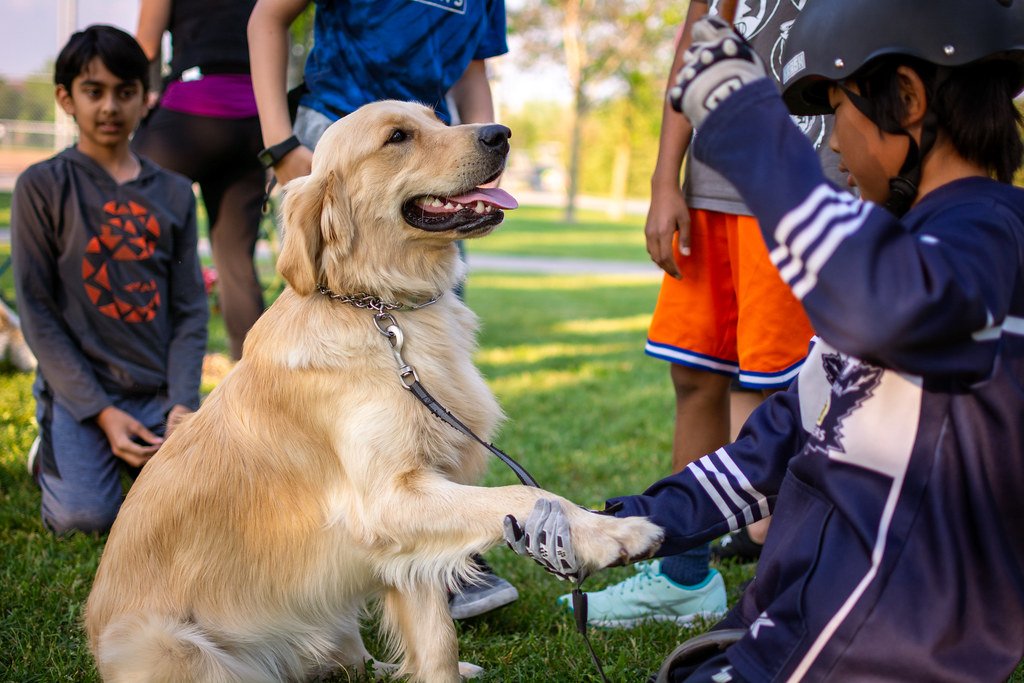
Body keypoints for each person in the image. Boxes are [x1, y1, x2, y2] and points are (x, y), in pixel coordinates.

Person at [506, 0, 1024, 680]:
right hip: (793, 623)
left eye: (836, 107)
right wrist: (621, 526)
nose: (833, 144)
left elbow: (887, 306)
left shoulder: (990, 234)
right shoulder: (920, 245)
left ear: (907, 98)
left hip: (872, 647)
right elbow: (775, 442)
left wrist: (746, 120)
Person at [569, 0, 844, 628]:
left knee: (783, 389)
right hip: (713, 182)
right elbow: (698, 39)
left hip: (801, 182)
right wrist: (666, 178)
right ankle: (683, 577)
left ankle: (787, 590)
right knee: (694, 373)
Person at [246, 0, 516, 620]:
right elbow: (266, 18)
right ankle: (331, 526)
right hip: (336, 137)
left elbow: (472, 68)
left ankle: (443, 547)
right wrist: (282, 146)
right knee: (335, 351)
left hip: (427, 142)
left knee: (431, 367)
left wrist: (478, 146)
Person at [12, 25, 208, 535]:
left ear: (146, 97)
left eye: (125, 92)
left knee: (204, 514)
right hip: (82, 393)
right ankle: (51, 454)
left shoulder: (174, 193)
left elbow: (189, 310)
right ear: (66, 98)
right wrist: (100, 412)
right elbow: (35, 310)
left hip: (159, 394)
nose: (109, 107)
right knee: (84, 518)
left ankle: (132, 453)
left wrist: (184, 404)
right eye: (93, 92)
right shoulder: (42, 186)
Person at [133, 0, 265, 361]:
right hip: (254, 115)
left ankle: (136, 360)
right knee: (236, 258)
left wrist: (142, 100)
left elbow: (145, 46)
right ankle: (253, 379)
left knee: (129, 229)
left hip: (189, 109)